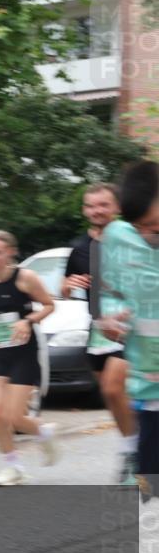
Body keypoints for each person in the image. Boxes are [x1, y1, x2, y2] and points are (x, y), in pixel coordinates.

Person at [0, 230, 60, 486]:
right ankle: (12, 466)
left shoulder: (25, 278)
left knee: (16, 418)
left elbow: (49, 305)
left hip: (23, 353)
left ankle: (43, 432)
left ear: (10, 252)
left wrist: (28, 321)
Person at [62, 183, 137, 483]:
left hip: (132, 327)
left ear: (117, 207)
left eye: (103, 205)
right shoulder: (79, 248)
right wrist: (68, 286)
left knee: (111, 388)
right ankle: (135, 448)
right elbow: (64, 288)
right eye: (91, 205)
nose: (97, 210)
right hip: (96, 330)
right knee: (118, 398)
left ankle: (133, 454)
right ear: (84, 210)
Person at [99, 161, 159, 501]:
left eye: (154, 226)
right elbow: (110, 291)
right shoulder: (119, 237)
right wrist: (109, 319)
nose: (149, 235)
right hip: (151, 394)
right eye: (141, 229)